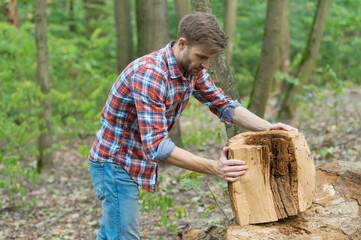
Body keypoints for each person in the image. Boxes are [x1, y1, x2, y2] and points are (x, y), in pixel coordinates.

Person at [88, 12, 297, 240]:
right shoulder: (151, 75)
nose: (206, 65)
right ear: (182, 44)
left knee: (111, 233)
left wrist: (269, 128)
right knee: (123, 236)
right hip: (115, 162)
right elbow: (158, 146)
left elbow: (223, 104)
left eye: (210, 58)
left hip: (132, 158)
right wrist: (215, 168)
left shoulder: (191, 69)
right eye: (202, 56)